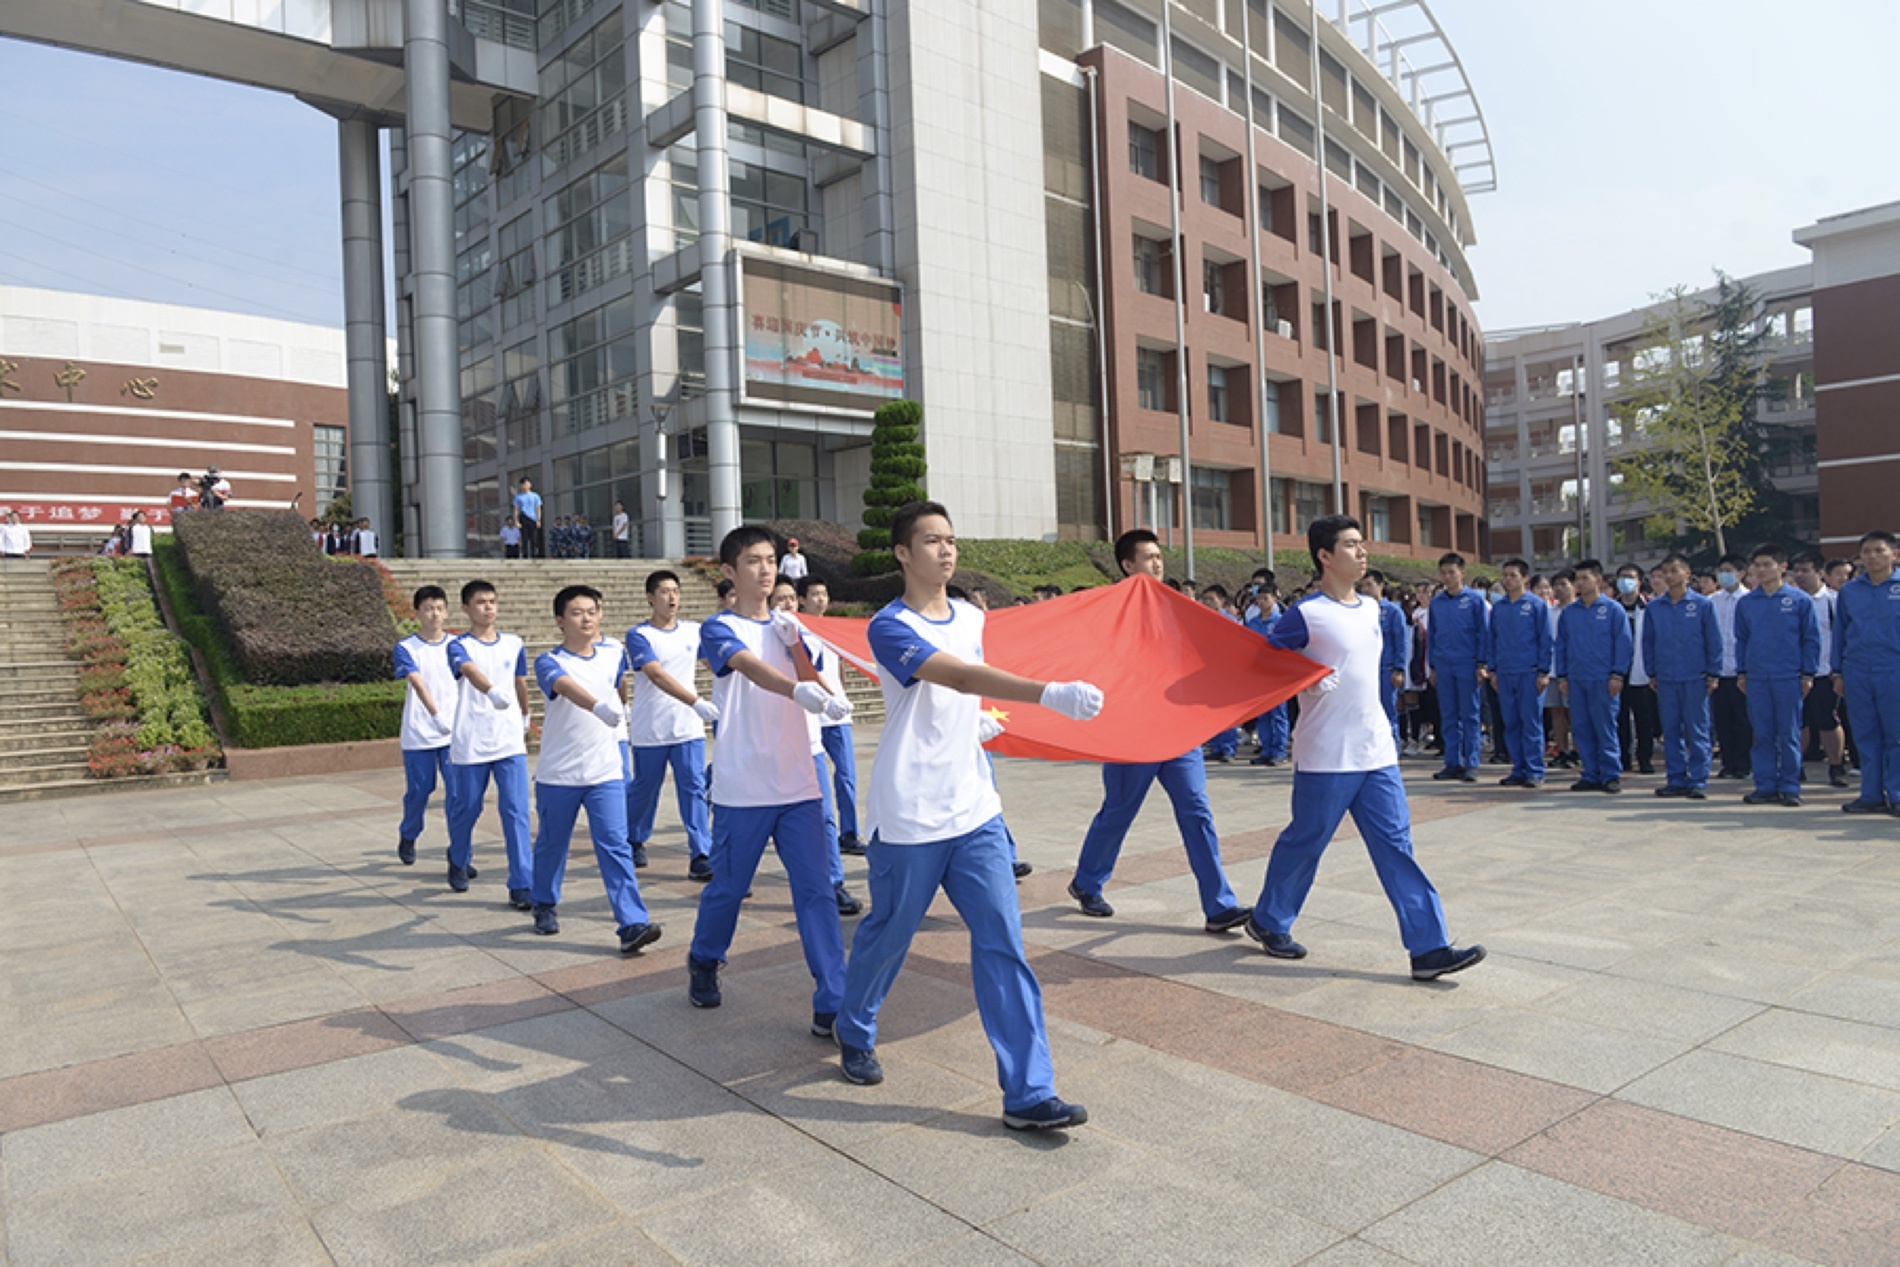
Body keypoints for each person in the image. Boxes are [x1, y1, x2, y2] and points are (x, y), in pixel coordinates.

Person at [838, 499, 1103, 1130]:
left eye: (950, 540)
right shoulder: (889, 625)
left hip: (975, 810)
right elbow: (953, 676)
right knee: (890, 934)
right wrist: (1048, 694)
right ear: (903, 553)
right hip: (909, 812)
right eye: (931, 541)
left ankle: (1029, 1092)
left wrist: (972, 725)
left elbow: (964, 691)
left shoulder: (969, 615)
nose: (946, 550)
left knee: (1002, 945)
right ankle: (853, 1022)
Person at [1244, 514, 1485, 982]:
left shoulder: (1373, 608)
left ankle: (1429, 948)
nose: (1362, 551)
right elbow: (1262, 659)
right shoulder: (1307, 614)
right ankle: (1269, 919)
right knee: (1306, 841)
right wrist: (1305, 678)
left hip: (1375, 751)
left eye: (1362, 543)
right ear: (1325, 556)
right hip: (1326, 753)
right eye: (1351, 544)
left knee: (1397, 847)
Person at [686, 525, 854, 1032]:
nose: (765, 569)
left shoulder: (789, 625)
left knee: (817, 892)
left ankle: (833, 1000)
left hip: (800, 782)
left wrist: (823, 687)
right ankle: (704, 957)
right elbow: (749, 668)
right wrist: (795, 689)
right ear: (729, 572)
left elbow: (810, 677)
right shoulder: (718, 628)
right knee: (729, 890)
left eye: (771, 560)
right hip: (744, 786)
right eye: (754, 561)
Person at [1068, 529, 1252, 933]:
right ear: (1127, 565)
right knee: (1119, 811)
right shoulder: (1109, 612)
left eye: (1159, 557)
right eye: (1148, 557)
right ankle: (1087, 882)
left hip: (1177, 730)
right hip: (1132, 731)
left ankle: (1219, 905)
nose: (1157, 563)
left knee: (1196, 809)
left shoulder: (1176, 608)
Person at [525, 584, 663, 953]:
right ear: (560, 620)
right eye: (576, 612)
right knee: (553, 844)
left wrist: (622, 709)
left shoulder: (614, 651)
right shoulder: (547, 661)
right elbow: (565, 686)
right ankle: (544, 902)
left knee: (615, 845)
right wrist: (598, 707)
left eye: (592, 611)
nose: (586, 618)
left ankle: (632, 922)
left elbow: (618, 681)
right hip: (560, 773)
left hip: (604, 771)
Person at [771, 577, 864, 916]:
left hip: (810, 735)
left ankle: (834, 882)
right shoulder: (757, 636)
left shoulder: (805, 636)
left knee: (825, 814)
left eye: (791, 599)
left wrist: (831, 699)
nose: (788, 605)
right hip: (772, 742)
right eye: (780, 599)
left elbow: (810, 672)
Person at [625, 570, 720, 876]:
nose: (672, 598)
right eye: (664, 592)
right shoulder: (639, 635)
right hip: (651, 727)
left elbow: (714, 666)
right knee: (645, 789)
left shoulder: (694, 631)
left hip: (687, 728)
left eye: (676, 591)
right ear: (650, 598)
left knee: (692, 787)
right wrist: (695, 701)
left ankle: (701, 853)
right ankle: (635, 838)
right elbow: (655, 673)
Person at [445, 580, 534, 904]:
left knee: (516, 811)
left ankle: (522, 883)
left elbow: (520, 680)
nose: (488, 607)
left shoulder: (513, 643)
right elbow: (468, 670)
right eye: (481, 602)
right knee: (467, 808)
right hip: (472, 740)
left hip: (509, 740)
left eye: (492, 601)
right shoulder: (458, 646)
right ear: (467, 608)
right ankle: (458, 857)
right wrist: (492, 691)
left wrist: (525, 714)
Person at [1734, 544, 1818, 807]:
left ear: (1782, 567)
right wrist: (1742, 671)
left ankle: (1791, 786)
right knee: (1762, 733)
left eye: (1767, 564)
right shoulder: (1747, 602)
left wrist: (1807, 673)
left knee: (1789, 733)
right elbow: (1742, 639)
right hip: (1758, 676)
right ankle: (1766, 785)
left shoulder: (1799, 600)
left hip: (1788, 675)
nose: (1761, 570)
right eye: (1757, 565)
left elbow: (1810, 639)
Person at [1643, 553, 1722, 800]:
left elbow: (1714, 641)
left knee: (1697, 729)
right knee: (1671, 730)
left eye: (1674, 571)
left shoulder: (1702, 604)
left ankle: (1698, 779)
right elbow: (1649, 641)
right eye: (1665, 572)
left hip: (1694, 676)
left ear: (1687, 574)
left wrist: (1713, 672)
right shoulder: (1655, 607)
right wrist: (1652, 671)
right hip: (1666, 676)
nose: (1669, 576)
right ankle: (1675, 778)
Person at [1834, 531, 1900, 815]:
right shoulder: (1850, 591)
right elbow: (1840, 633)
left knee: (1896, 735)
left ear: (1894, 554)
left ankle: (1897, 794)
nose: (1872, 557)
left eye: (1879, 550)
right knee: (1865, 735)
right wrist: (1837, 671)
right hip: (1858, 670)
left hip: (1894, 668)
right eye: (1866, 552)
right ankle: (1871, 794)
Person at [799, 576, 865, 857]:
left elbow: (838, 668)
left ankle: (848, 833)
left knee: (847, 776)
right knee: (812, 782)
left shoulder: (832, 628)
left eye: (824, 594)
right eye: (814, 594)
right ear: (802, 599)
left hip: (837, 716)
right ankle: (816, 833)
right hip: (811, 715)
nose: (820, 599)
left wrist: (841, 696)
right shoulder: (797, 630)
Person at [394, 586, 459, 866]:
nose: (434, 614)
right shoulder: (407, 647)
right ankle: (409, 834)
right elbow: (417, 682)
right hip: (420, 732)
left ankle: (460, 851)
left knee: (458, 794)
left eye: (439, 608)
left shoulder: (458, 645)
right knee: (420, 791)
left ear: (446, 611)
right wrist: (435, 715)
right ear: (418, 612)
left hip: (454, 734)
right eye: (428, 608)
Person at [1555, 560, 1632, 794]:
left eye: (1584, 578)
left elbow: (1623, 644)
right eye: (1577, 579)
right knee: (1581, 728)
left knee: (1605, 727)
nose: (1579, 583)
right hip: (1577, 678)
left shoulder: (1612, 609)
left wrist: (1618, 674)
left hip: (1603, 678)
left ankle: (1610, 774)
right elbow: (1561, 646)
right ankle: (1589, 773)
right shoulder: (1569, 612)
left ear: (1598, 580)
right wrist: (1563, 676)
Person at [1478, 559, 1551, 788]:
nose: (1508, 580)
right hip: (1506, 672)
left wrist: (1543, 671)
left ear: (1525, 578)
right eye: (1505, 575)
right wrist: (1494, 670)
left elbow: (1545, 639)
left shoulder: (1537, 605)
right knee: (1511, 723)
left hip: (1528, 671)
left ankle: (1535, 769)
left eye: (1513, 575)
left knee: (1530, 722)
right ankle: (1518, 767)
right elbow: (1493, 640)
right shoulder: (1499, 608)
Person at [1790, 549, 1848, 788]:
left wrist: (1839, 670)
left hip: (1825, 671)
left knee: (1827, 719)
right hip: (1794, 671)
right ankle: (1796, 766)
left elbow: (1843, 636)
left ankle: (1836, 766)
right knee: (1797, 721)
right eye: (1797, 571)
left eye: (1806, 571)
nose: (1801, 576)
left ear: (1820, 573)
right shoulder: (1790, 600)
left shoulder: (1834, 601)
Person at [1427, 552, 1488, 781]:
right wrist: (1432, 666)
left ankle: (1471, 762)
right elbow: (1432, 636)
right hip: (1443, 664)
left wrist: (1482, 663)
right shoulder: (1437, 602)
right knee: (1449, 715)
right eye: (1443, 573)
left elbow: (1484, 633)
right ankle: (1452, 762)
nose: (1447, 577)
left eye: (1452, 572)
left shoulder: (1474, 600)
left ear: (1462, 573)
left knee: (1470, 715)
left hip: (1467, 662)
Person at [1708, 553, 1752, 779]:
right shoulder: (1712, 601)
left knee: (1743, 720)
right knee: (1723, 720)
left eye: (1729, 571)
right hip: (1719, 671)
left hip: (1742, 670)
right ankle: (1728, 763)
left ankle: (1744, 763)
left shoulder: (1750, 599)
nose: (1724, 575)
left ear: (1742, 573)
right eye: (1721, 571)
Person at [1614, 564, 1658, 775]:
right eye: (1622, 577)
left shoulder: (1650, 607)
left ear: (1640, 581)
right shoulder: (1612, 608)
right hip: (1617, 672)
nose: (1626, 581)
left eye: (1630, 577)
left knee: (1644, 720)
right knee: (1619, 719)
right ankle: (1623, 758)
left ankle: (1645, 759)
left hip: (1642, 671)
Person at [1198, 584, 1243, 763]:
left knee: (1227, 712)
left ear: (1222, 601)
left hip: (1226, 673)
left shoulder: (1230, 622)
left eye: (1212, 599)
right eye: (1205, 599)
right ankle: (1216, 746)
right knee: (1210, 712)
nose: (1207, 602)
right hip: (1206, 673)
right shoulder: (1201, 620)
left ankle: (1228, 748)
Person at [513, 477, 544, 559]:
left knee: (534, 538)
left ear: (530, 484)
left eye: (526, 484)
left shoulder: (535, 496)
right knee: (524, 538)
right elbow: (516, 509)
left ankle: (534, 555)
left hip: (533, 519)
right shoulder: (518, 497)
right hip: (523, 517)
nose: (525, 486)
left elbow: (538, 508)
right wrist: (516, 521)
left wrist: (538, 520)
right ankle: (525, 555)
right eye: (523, 484)